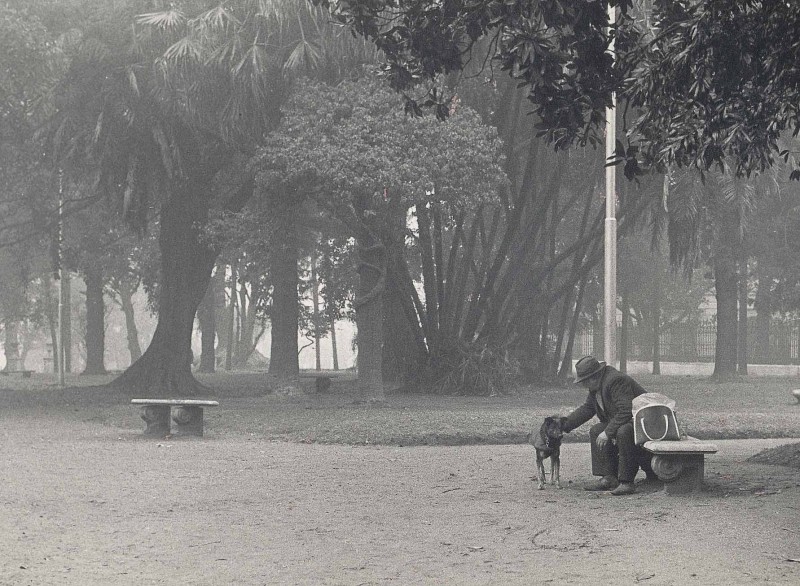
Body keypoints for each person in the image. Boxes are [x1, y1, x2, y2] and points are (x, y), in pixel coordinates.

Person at [562, 355, 656, 495]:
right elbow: (588, 409)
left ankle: (626, 482)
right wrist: (563, 425)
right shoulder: (597, 386)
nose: (583, 385)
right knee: (596, 430)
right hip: (628, 420)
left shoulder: (615, 380)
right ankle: (609, 477)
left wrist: (607, 432)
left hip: (644, 421)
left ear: (594, 376)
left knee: (623, 432)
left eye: (584, 381)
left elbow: (626, 410)